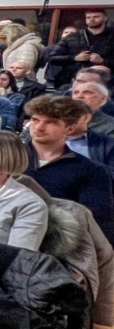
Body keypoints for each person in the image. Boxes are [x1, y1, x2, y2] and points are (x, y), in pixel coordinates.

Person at [23, 95, 114, 243]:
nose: (39, 127)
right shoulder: (4, 159)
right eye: (35, 120)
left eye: (51, 122)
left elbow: (98, 223)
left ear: (70, 128)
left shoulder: (92, 170)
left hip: (60, 244)